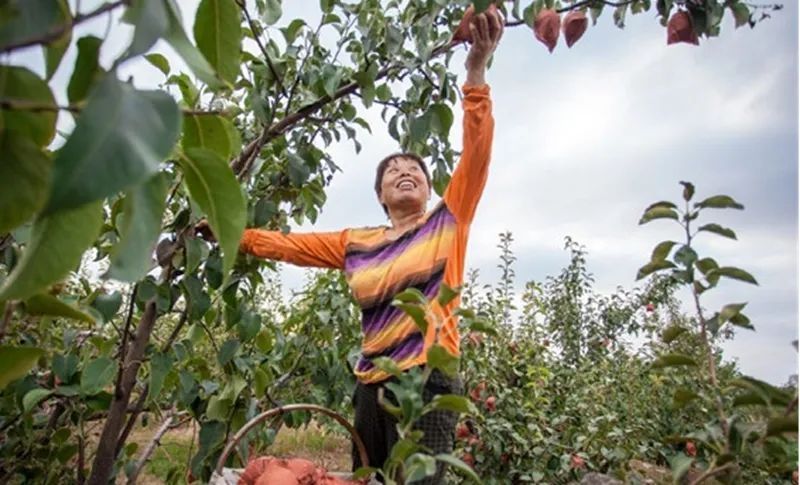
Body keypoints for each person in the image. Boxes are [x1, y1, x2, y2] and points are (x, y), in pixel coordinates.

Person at [207, 8, 502, 483]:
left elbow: (478, 151)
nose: (405, 173)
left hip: (428, 379)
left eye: (416, 170)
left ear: (428, 189)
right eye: (392, 171)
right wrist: (230, 232)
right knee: (372, 477)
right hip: (371, 384)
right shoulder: (356, 243)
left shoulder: (449, 220)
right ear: (381, 194)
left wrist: (475, 73)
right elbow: (289, 246)